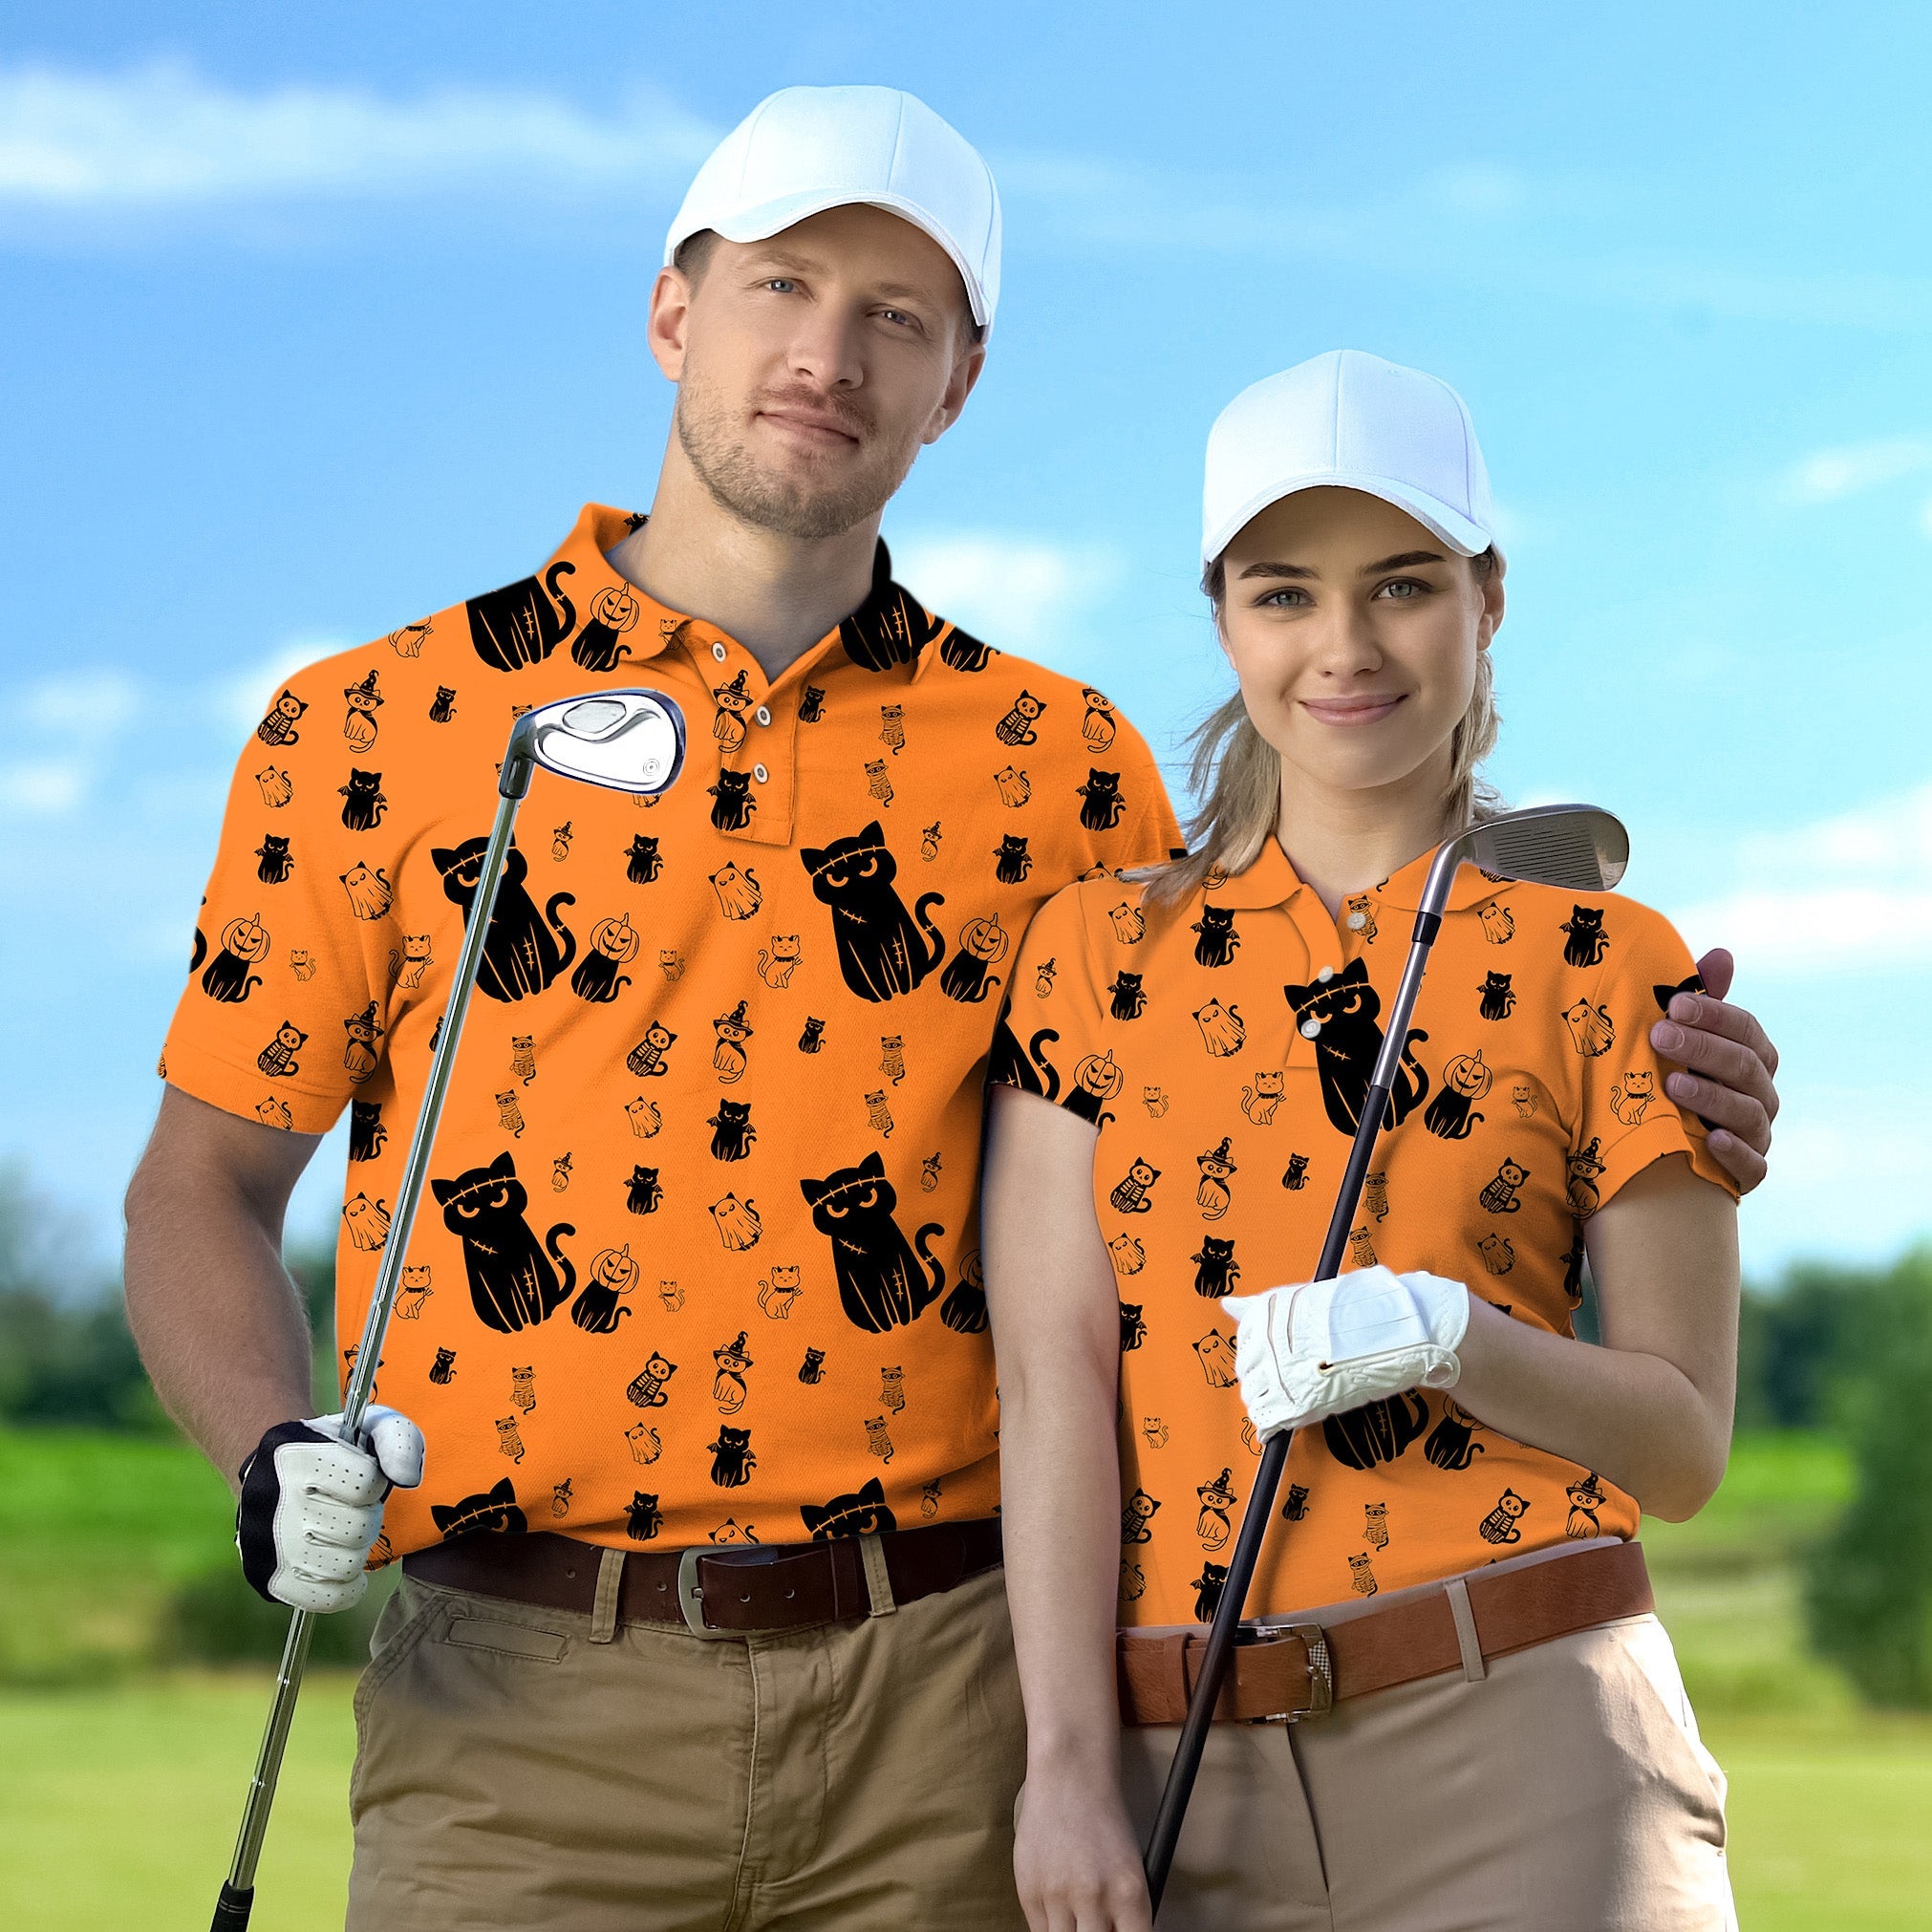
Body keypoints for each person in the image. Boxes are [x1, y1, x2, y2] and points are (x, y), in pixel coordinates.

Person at [119, 86, 1778, 1927]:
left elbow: (1274, 1100)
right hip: (515, 1706)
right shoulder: (377, 726)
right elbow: (197, 1186)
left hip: (947, 1699)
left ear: (959, 379)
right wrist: (270, 1452)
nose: (827, 355)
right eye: (781, 287)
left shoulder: (1063, 767)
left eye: (895, 316)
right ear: (673, 310)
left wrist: (1649, 1053)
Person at [984, 351, 1750, 1930]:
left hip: (1532, 1734)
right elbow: (1049, 1375)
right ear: (1220, 618)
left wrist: (1445, 1333)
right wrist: (1062, 1762)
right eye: (1283, 594)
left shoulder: (1607, 956)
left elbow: (1678, 1448)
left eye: (1400, 585)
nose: (1342, 647)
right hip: (1181, 1767)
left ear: (1485, 600)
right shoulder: (1087, 956)